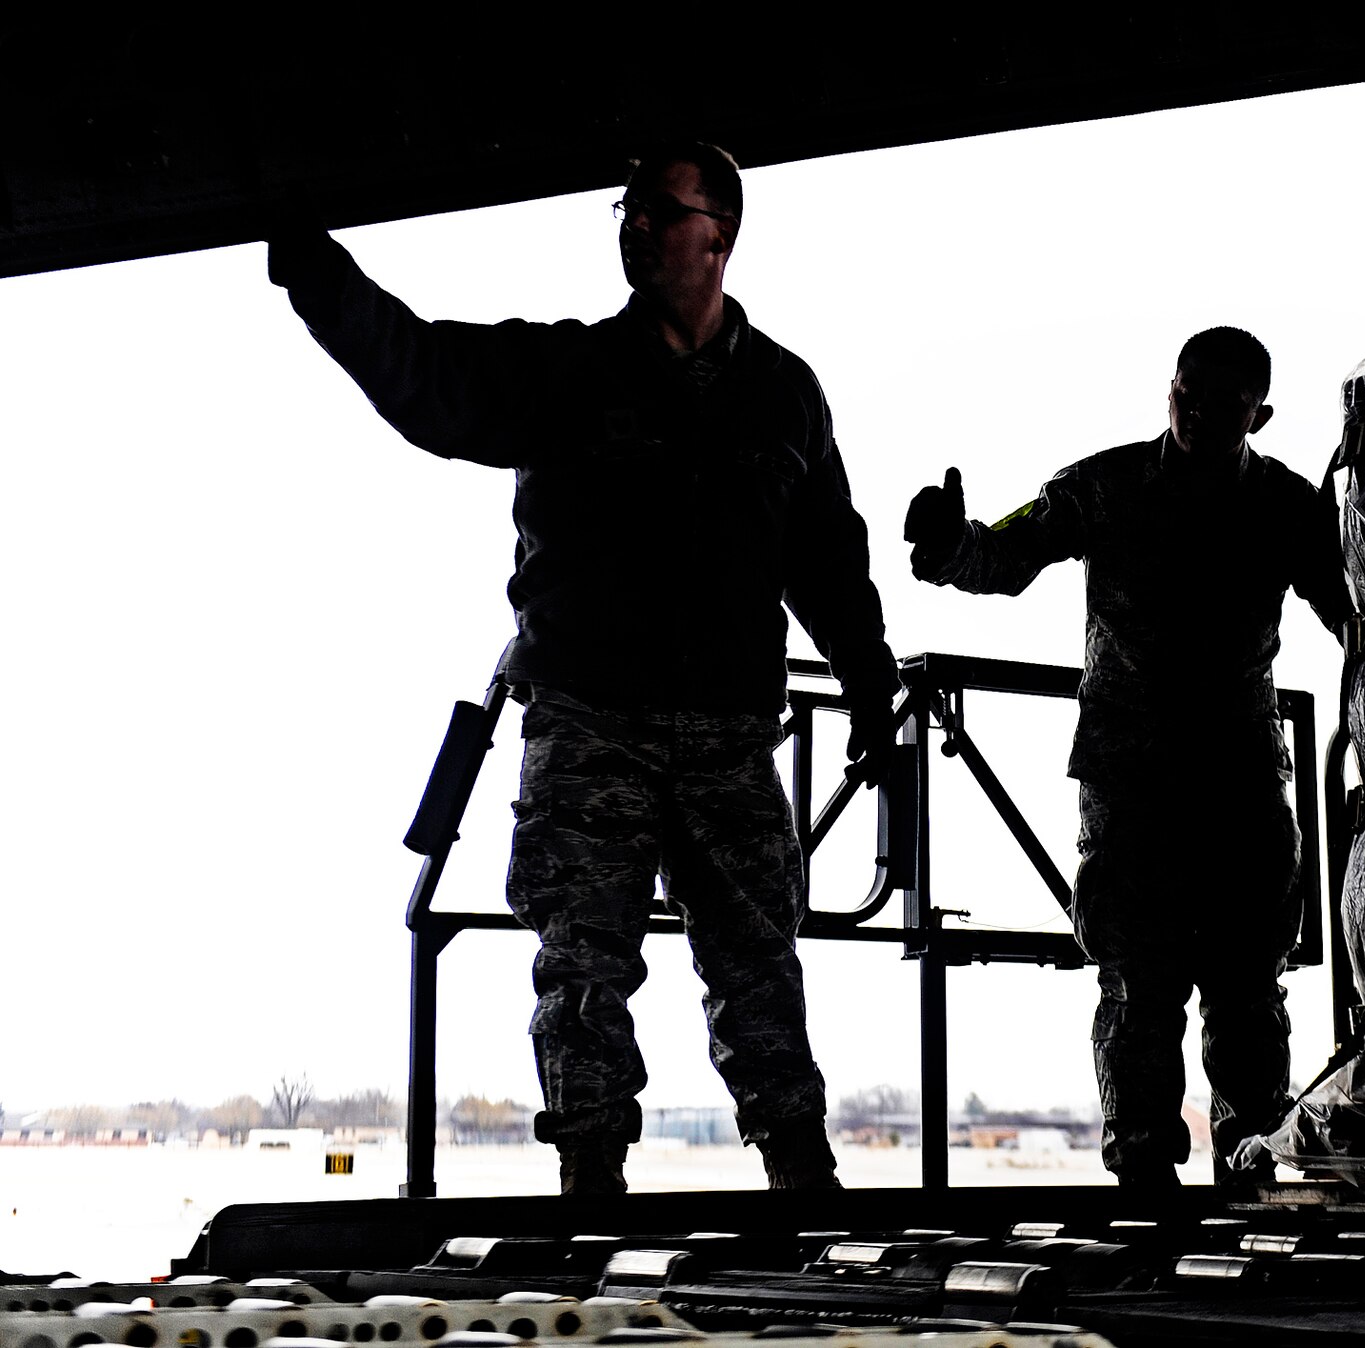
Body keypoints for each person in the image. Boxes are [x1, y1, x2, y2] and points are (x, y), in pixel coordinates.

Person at [267, 140, 899, 1195]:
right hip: (588, 720)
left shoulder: (784, 394)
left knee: (758, 965)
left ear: (719, 235)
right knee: (581, 965)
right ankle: (591, 1184)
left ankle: (801, 1177)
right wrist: (314, 272)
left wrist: (870, 687)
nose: (635, 224)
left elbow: (829, 561)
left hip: (728, 734)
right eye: (627, 206)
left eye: (660, 208)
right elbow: (425, 377)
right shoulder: (565, 374)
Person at [904, 328, 1350, 1187]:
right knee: (1139, 987)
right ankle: (1143, 1163)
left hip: (1241, 782)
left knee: (1248, 990)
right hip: (1133, 784)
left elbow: (1359, 618)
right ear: (1169, 388)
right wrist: (953, 547)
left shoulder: (1289, 509)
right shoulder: (1102, 487)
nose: (1199, 415)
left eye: (1224, 405)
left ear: (1259, 414)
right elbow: (1007, 553)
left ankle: (1251, 1160)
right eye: (1188, 394)